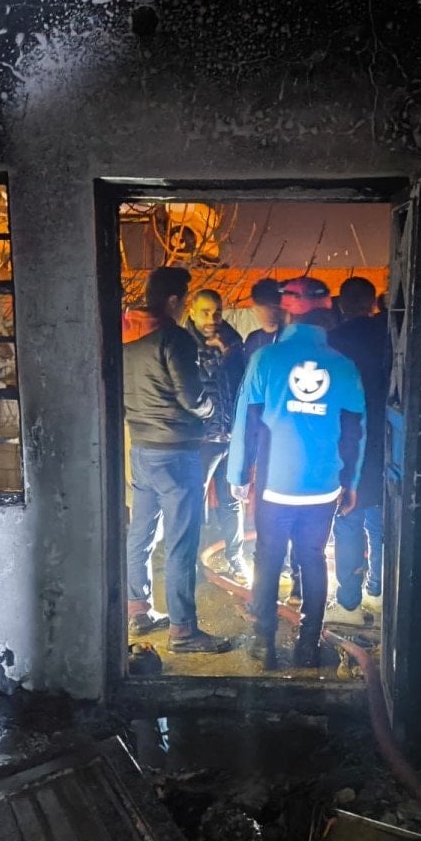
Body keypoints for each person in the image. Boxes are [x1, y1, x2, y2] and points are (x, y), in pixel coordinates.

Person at [228, 277, 366, 670]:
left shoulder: (265, 360)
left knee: (267, 558)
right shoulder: (344, 366)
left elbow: (246, 421)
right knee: (313, 559)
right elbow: (355, 431)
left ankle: (264, 643)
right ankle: (308, 646)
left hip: (275, 485)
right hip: (322, 487)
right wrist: (351, 482)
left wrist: (238, 474)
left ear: (287, 310)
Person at [123, 267, 232, 653]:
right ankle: (183, 632)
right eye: (184, 300)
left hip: (141, 447)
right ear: (173, 300)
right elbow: (191, 397)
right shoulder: (173, 338)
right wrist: (211, 408)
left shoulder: (126, 334)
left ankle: (137, 609)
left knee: (141, 532)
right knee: (182, 542)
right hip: (176, 449)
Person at [325, 277, 390, 626]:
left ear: (342, 304)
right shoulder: (389, 336)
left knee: (348, 521)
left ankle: (349, 604)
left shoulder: (333, 341)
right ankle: (379, 593)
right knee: (380, 521)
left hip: (346, 440)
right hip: (386, 437)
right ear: (372, 303)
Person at [242, 276, 303, 605]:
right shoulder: (254, 342)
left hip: (294, 442)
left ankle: (295, 584)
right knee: (268, 521)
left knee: (298, 519)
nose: (269, 312)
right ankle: (264, 595)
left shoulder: (294, 343)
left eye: (273, 306)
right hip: (265, 443)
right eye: (262, 307)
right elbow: (246, 397)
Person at [184, 289, 249, 583]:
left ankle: (235, 558)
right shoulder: (183, 344)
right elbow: (188, 391)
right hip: (201, 440)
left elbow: (242, 385)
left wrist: (228, 353)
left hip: (230, 435)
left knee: (232, 499)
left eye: (217, 312)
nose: (212, 319)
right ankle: (191, 565)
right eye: (205, 312)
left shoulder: (232, 341)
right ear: (192, 311)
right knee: (194, 502)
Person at [243, 277, 284, 360]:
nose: (269, 314)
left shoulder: (289, 336)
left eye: (273, 308)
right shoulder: (253, 339)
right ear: (255, 309)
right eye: (262, 310)